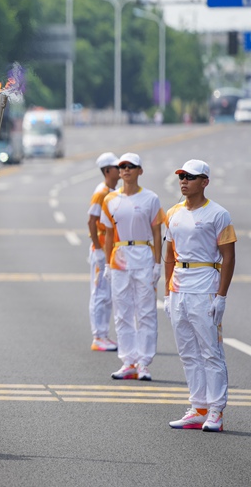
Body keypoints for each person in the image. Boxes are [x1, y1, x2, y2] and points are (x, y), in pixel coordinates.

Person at [164, 160, 236, 432]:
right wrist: (167, 293)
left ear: (204, 182)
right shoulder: (173, 213)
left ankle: (216, 410)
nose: (184, 181)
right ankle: (198, 407)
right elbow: (169, 257)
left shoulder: (219, 214)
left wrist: (221, 296)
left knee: (211, 352)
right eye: (182, 176)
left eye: (190, 177)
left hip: (205, 286)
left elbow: (228, 257)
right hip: (179, 288)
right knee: (188, 352)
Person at [101, 153, 164, 381]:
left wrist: (158, 263)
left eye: (131, 166)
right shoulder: (110, 200)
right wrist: (108, 263)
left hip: (144, 256)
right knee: (122, 312)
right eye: (122, 166)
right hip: (119, 258)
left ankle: (144, 363)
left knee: (146, 312)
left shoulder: (151, 198)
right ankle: (128, 361)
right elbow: (108, 234)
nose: (126, 170)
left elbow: (157, 232)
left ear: (140, 171)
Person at [87, 152, 121, 352]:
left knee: (107, 295)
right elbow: (91, 221)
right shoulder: (101, 192)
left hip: (110, 250)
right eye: (117, 168)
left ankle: (103, 334)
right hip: (101, 248)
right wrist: (98, 249)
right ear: (108, 171)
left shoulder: (112, 190)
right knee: (100, 294)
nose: (121, 170)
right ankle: (98, 336)